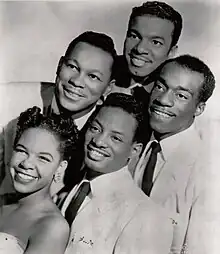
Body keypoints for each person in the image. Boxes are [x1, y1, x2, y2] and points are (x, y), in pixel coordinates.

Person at [0, 31, 117, 195]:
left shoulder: (103, 136)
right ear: (59, 65)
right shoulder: (8, 99)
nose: (76, 81)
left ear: (108, 88)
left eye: (92, 76)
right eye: (72, 67)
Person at [61, 93, 173, 254]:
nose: (98, 141)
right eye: (95, 128)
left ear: (135, 150)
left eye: (115, 138)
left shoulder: (146, 217)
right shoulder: (73, 188)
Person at [133, 54, 215, 253]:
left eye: (181, 96)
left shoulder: (207, 173)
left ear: (199, 108)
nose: (162, 100)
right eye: (160, 87)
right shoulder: (136, 142)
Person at [0, 106, 79, 253]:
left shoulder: (52, 227)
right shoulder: (3, 202)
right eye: (22, 151)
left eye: (43, 158)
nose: (26, 164)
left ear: (60, 167)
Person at [112, 1, 183, 102]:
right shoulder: (103, 70)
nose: (140, 49)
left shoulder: (169, 98)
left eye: (155, 42)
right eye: (134, 36)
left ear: (171, 52)